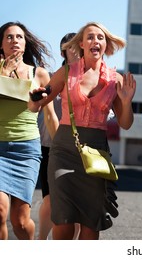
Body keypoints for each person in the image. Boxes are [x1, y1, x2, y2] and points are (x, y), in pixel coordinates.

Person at [28, 22, 136, 240]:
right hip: (64, 151)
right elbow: (35, 106)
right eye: (90, 37)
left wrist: (126, 102)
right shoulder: (66, 72)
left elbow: (125, 124)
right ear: (81, 44)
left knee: (90, 223)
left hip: (96, 155)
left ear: (106, 45)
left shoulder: (115, 80)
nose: (95, 41)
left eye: (100, 37)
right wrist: (34, 98)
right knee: (64, 220)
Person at [0, 21, 58, 240]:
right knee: (0, 210)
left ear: (25, 43)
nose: (14, 40)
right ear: (1, 43)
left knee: (21, 221)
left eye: (19, 37)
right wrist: (3, 72)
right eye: (9, 37)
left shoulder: (40, 74)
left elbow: (50, 116)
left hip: (25, 151)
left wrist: (62, 148)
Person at [37, 32, 79, 240]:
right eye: (68, 47)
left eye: (76, 46)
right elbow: (40, 109)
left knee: (79, 204)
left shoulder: (91, 78)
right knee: (50, 199)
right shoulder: (53, 77)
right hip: (51, 147)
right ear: (63, 50)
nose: (73, 51)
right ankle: (41, 240)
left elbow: (106, 113)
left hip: (81, 149)